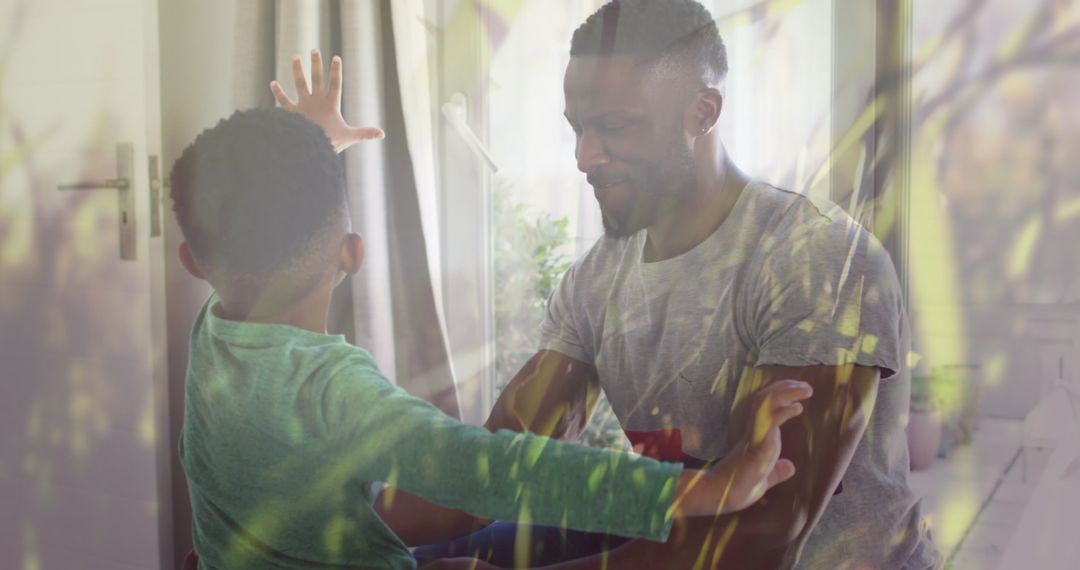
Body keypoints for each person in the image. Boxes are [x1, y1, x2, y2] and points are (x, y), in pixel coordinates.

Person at [409, 0, 944, 568]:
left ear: (703, 112)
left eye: (615, 126)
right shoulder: (595, 281)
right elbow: (496, 466)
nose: (585, 156)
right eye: (578, 128)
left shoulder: (818, 258)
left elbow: (762, 539)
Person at [171, 101, 812, 568]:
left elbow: (249, 218)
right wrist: (705, 488)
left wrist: (310, 146)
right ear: (352, 254)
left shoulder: (214, 336)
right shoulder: (331, 392)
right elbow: (494, 472)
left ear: (194, 263)